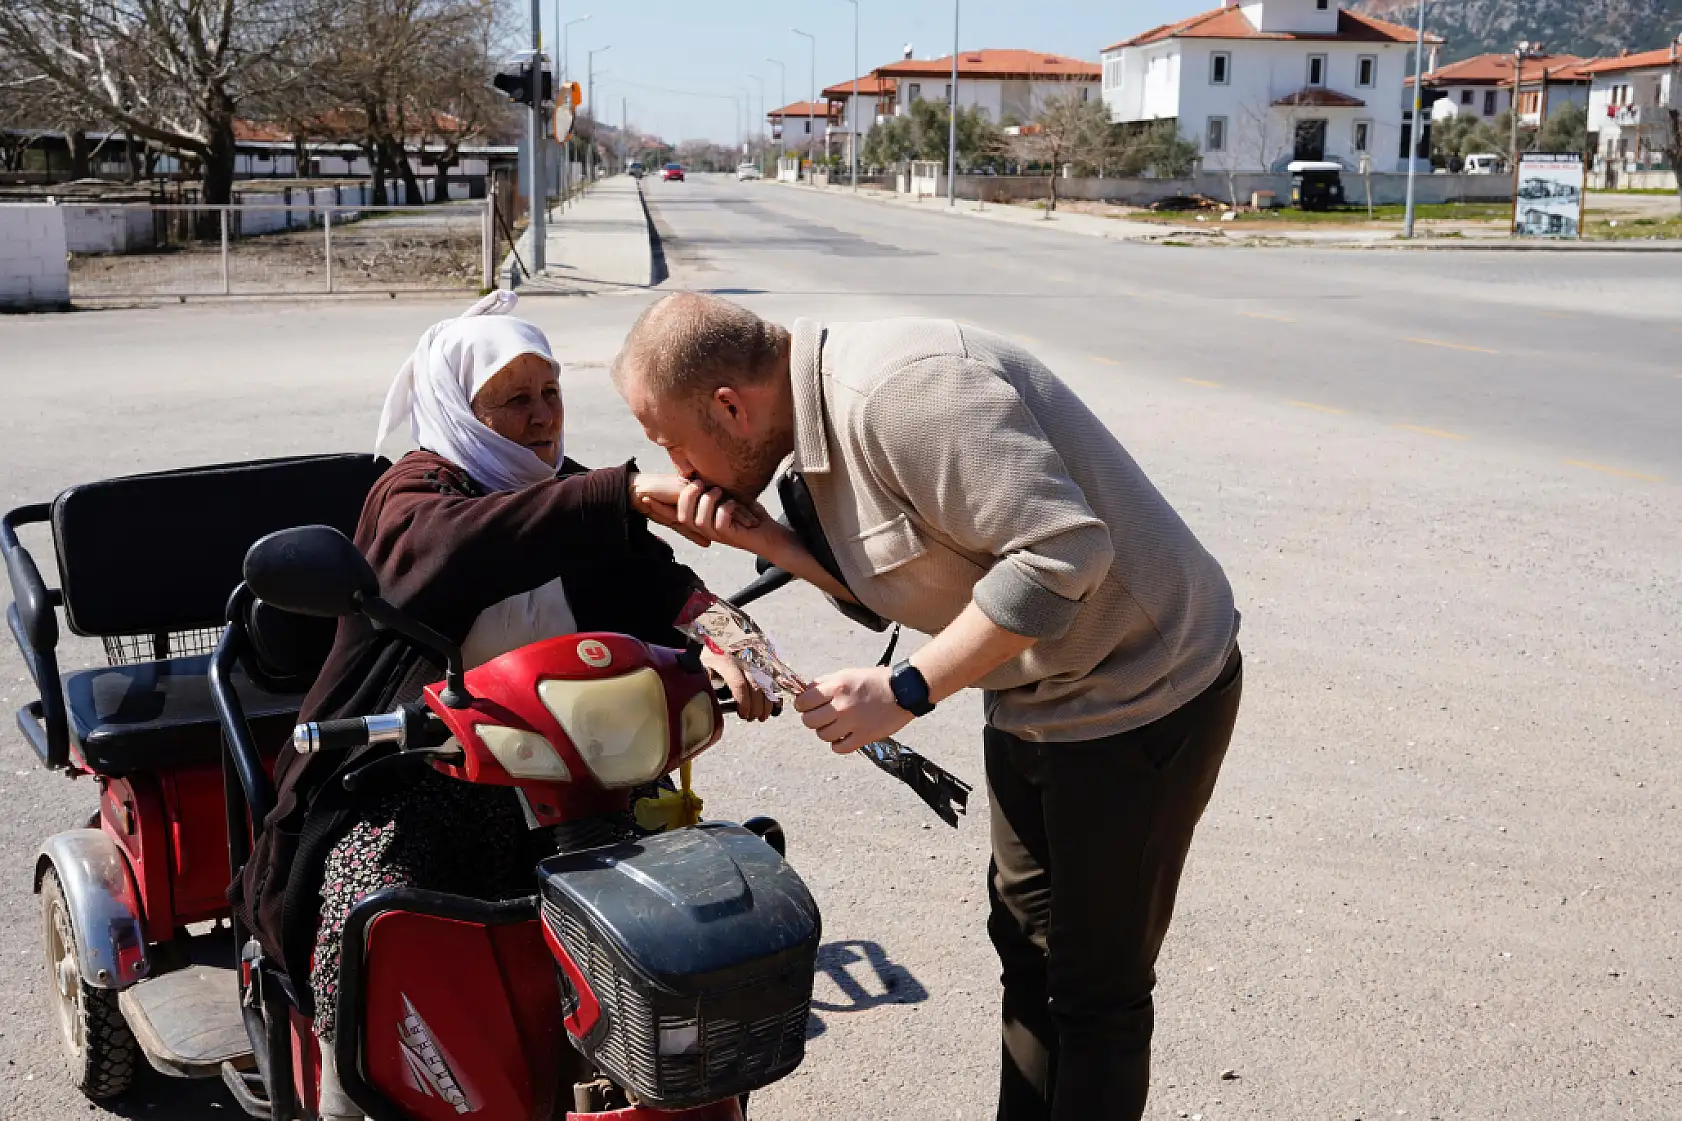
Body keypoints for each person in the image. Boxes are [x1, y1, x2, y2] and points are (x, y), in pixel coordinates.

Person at [611, 293, 1243, 1121]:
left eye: (670, 441)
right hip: (1034, 691)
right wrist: (763, 540)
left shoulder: (903, 394)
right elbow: (904, 579)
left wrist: (907, 689)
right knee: (1029, 955)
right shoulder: (811, 431)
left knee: (1094, 992)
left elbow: (1065, 552)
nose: (677, 466)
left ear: (730, 405)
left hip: (1138, 689)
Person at [234, 292, 773, 1118]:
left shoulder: (562, 493)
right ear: (461, 409)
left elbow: (648, 580)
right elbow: (464, 545)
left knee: (675, 922)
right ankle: (351, 1096)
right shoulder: (412, 498)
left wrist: (721, 630)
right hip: (409, 781)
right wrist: (618, 492)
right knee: (369, 911)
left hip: (569, 781)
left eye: (551, 392)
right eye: (514, 399)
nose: (541, 417)